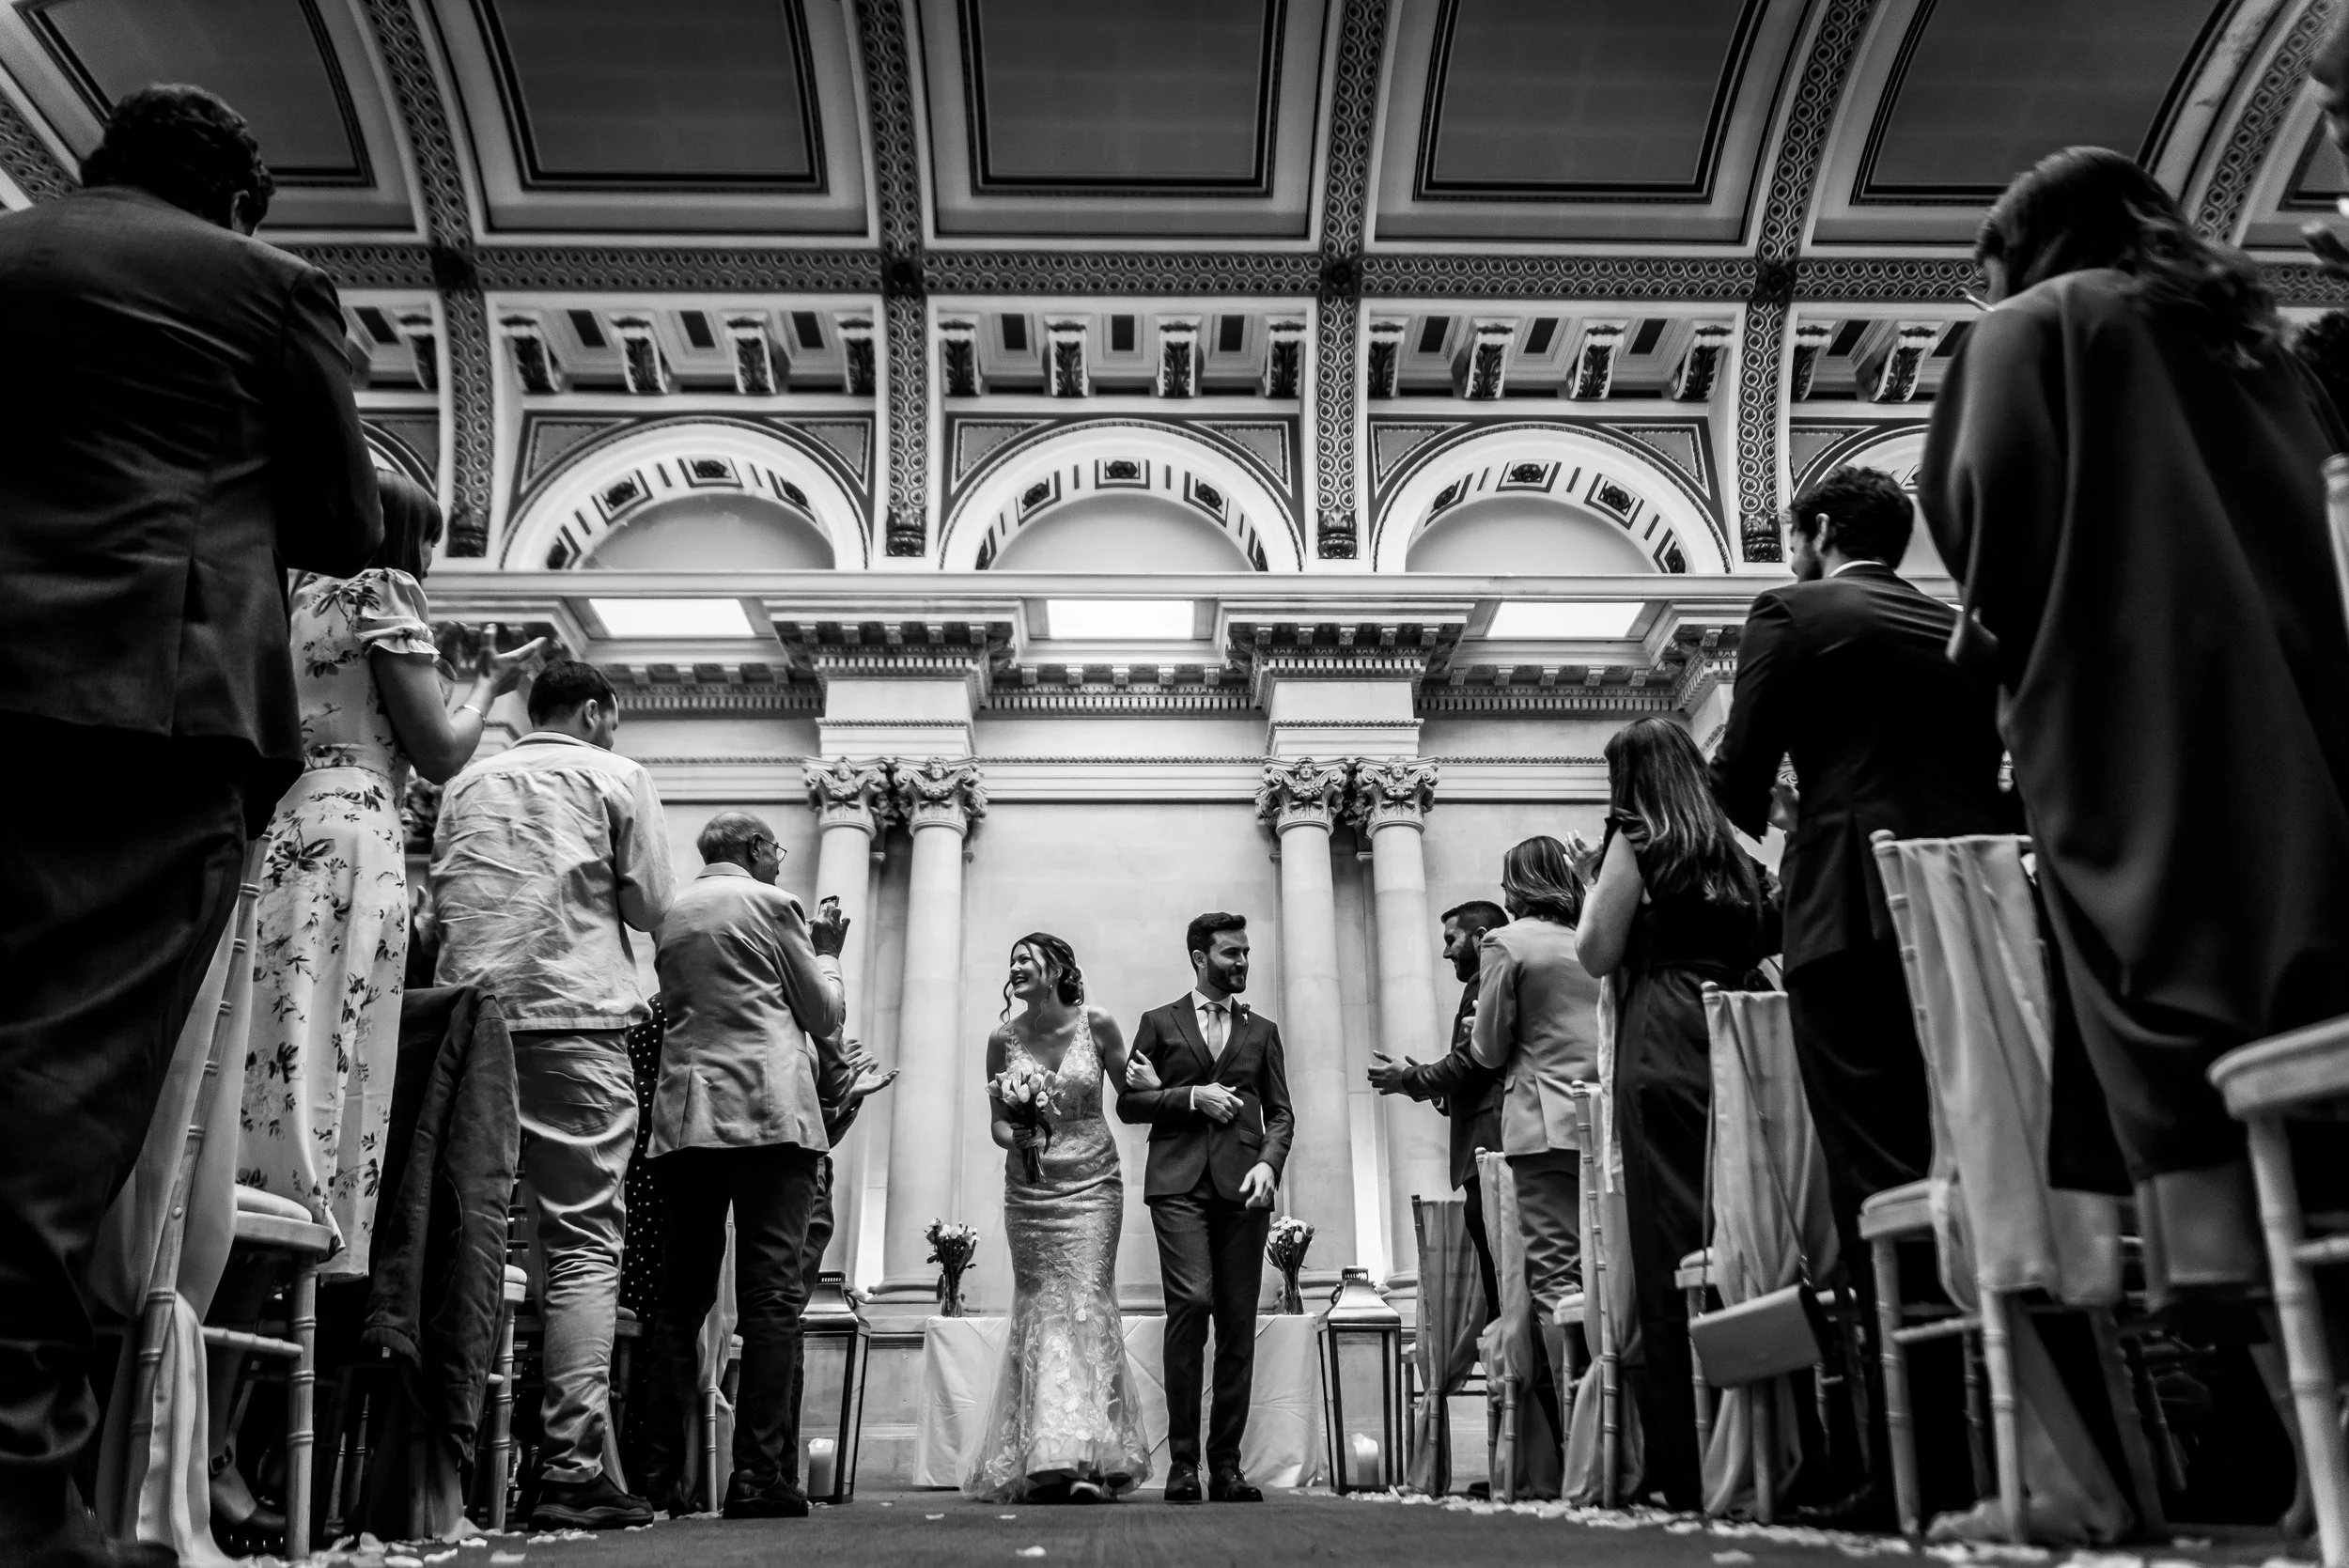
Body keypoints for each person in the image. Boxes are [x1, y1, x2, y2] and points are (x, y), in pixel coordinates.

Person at [0, 84, 381, 1568]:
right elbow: (343, 526)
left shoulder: (18, 252)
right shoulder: (265, 285)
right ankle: (22, 1481)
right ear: (241, 201)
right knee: (64, 1088)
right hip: (140, 714)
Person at [1919, 147, 2349, 1303]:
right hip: (2307, 709)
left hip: (2131, 715)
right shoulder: (2252, 341)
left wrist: (1982, 648)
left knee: (2171, 1011)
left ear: (2021, 250)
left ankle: (2235, 1297)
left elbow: (1985, 518)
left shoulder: (2032, 327)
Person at [209, 473, 541, 1548]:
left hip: (281, 835)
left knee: (267, 1080)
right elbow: (440, 753)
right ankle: (227, 1431)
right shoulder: (380, 592)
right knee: (321, 1097)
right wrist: (485, 691)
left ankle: (217, 1430)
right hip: (356, 838)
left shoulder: (289, 594)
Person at [1708, 462, 2007, 1522]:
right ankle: (2015, 1427)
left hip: (1851, 913)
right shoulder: (1956, 627)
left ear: (1820, 529)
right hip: (1981, 920)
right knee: (1982, 1162)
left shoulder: (1791, 609)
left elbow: (1738, 782)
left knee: (1875, 1190)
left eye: (1792, 531)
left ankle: (1914, 1462)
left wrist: (1788, 795)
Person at [430, 659, 675, 1529]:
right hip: (576, 1019)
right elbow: (651, 906)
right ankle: (569, 1469)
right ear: (600, 710)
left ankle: (439, 1467)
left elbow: (439, 910)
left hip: (466, 1024)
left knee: (466, 1239)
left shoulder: (467, 781)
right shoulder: (616, 774)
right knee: (578, 1244)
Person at [1579, 717, 1780, 1510]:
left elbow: (1595, 948)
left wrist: (1596, 869)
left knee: (1672, 1239)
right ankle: (1770, 1426)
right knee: (1747, 1234)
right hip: (1742, 1027)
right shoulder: (1737, 852)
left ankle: (1692, 1454)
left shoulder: (1638, 834)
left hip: (1664, 1031)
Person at [632, 812, 853, 1519]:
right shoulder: (771, 904)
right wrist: (827, 954)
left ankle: (654, 1476)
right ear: (756, 849)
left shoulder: (672, 911)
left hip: (687, 1117)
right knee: (771, 1300)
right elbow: (823, 1013)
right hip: (767, 1115)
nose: (781, 862)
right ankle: (758, 1476)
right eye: (777, 850)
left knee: (678, 1300)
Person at [966, 935, 1153, 1502]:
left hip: (1094, 1184)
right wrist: (1015, 1134)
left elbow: (1131, 1096)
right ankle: (1048, 1454)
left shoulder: (1099, 1025)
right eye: (1013, 959)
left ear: (1058, 970)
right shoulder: (1003, 1039)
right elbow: (998, 1123)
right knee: (1041, 1304)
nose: (1016, 967)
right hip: (1030, 1190)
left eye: (1027, 959)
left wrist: (1158, 1086)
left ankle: (1092, 1454)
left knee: (1087, 1300)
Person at [1116, 913, 1294, 1504]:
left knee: (1238, 1323)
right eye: (1230, 955)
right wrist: (1191, 1096)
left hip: (1245, 1187)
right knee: (1192, 1302)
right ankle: (1182, 1463)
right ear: (1199, 957)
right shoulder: (1158, 1023)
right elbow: (1129, 1104)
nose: (1243, 963)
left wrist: (1270, 1161)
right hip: (1176, 1184)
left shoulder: (1263, 1030)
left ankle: (1226, 1466)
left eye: (1246, 954)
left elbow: (1281, 1111)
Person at [1466, 838, 1605, 1452]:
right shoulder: (1596, 935)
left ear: (1515, 884)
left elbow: (1489, 1049)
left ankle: (1584, 1437)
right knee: (1613, 1271)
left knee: (1555, 1280)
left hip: (1543, 1125)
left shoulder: (1506, 942)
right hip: (1605, 1124)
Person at [1368, 899, 1509, 1325]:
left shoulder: (1489, 981)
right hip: (1486, 1148)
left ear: (1481, 938)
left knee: (1501, 1280)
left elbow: (1471, 1064)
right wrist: (1432, 1087)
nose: (1446, 952)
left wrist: (1410, 1080)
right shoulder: (1486, 982)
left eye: (1451, 939)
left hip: (1492, 1149)